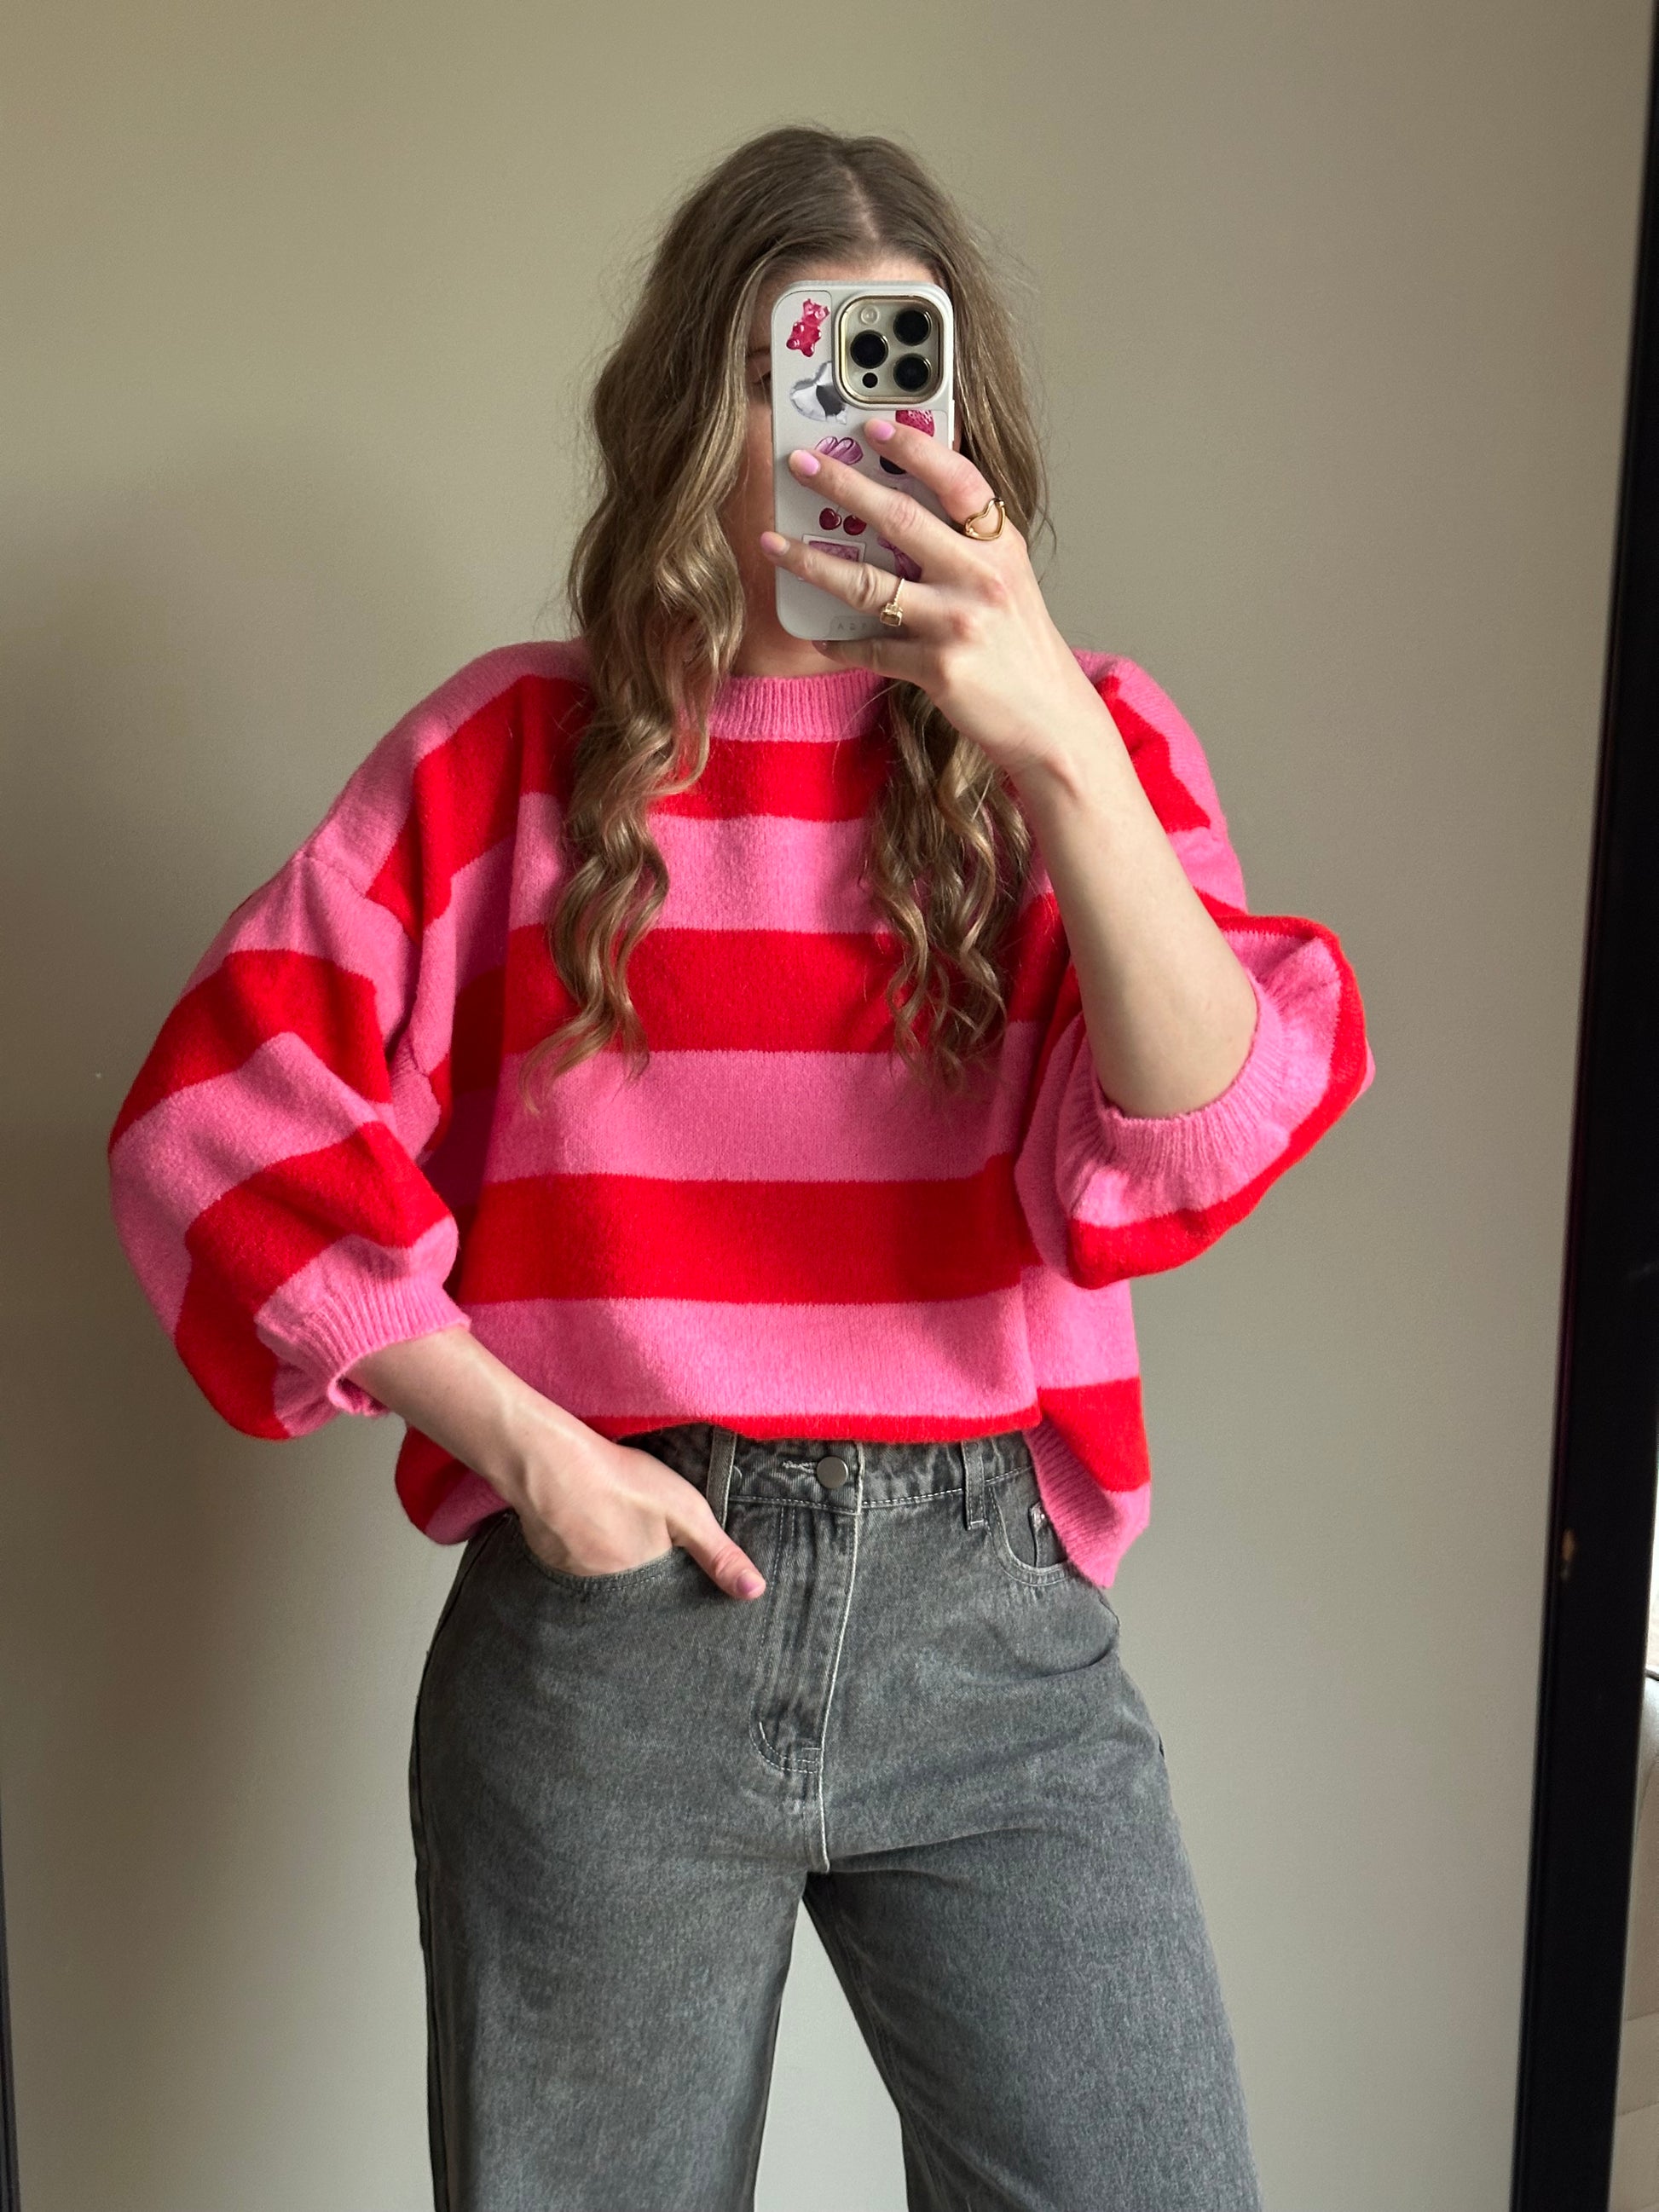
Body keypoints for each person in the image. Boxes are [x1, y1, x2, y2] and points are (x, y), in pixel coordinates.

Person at [107, 124, 1373, 2212]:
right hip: (612, 1630)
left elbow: (1199, 1135)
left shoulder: (1089, 745)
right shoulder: (506, 757)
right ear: (697, 409)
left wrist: (1047, 737)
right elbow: (212, 1118)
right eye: (797, 381)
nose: (842, 450)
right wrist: (532, 1447)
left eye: (893, 384)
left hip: (991, 1631)